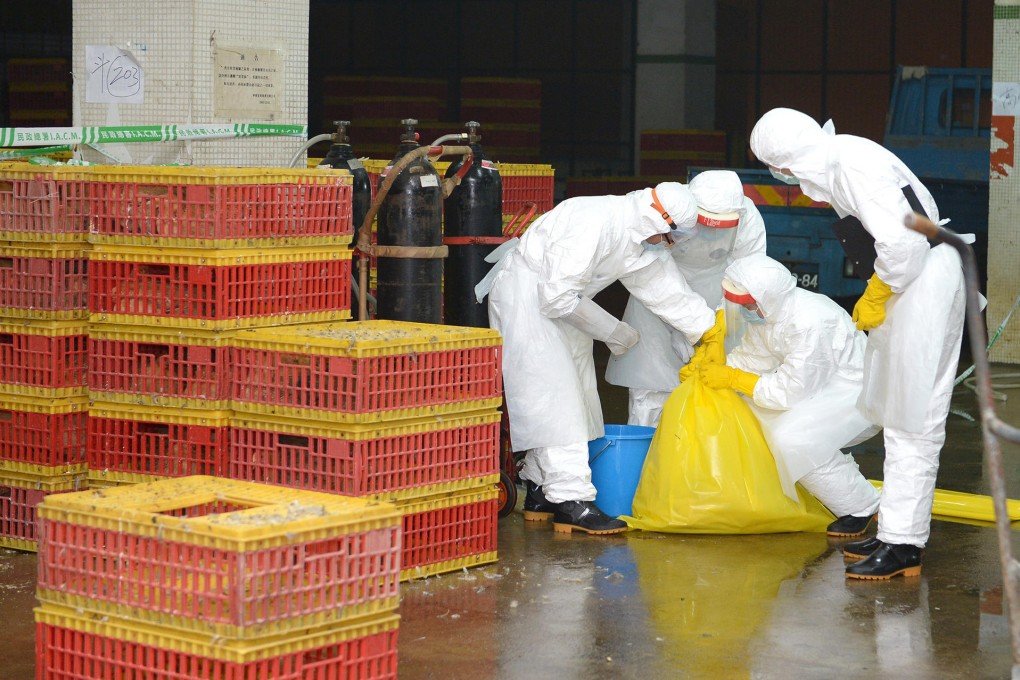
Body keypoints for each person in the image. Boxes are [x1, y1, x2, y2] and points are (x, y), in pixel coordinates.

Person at [750, 107, 967, 580]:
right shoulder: (841, 157)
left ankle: (904, 544)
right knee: (901, 417)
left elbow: (903, 244)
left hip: (919, 282)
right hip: (914, 282)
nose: (782, 177)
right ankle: (896, 530)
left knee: (913, 422)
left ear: (786, 162)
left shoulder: (850, 164)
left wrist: (879, 289)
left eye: (779, 169)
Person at [484, 183, 720, 534]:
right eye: (670, 237)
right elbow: (555, 296)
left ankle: (539, 490)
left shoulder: (640, 239)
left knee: (581, 397)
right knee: (555, 400)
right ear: (658, 219)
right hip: (529, 300)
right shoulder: (593, 220)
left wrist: (708, 332)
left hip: (568, 305)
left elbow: (667, 292)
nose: (669, 245)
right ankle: (571, 501)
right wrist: (614, 332)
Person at [695, 254, 882, 538]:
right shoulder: (768, 313)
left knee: (793, 441)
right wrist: (712, 371)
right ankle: (823, 483)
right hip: (818, 389)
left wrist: (732, 378)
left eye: (745, 303)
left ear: (764, 297)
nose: (741, 309)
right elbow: (753, 358)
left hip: (855, 396)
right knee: (748, 415)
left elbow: (788, 393)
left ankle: (861, 505)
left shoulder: (812, 321)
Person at [605, 170, 767, 426]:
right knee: (650, 391)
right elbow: (652, 273)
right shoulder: (671, 206)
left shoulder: (748, 217)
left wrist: (719, 322)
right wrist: (687, 326)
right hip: (657, 302)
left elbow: (746, 274)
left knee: (715, 386)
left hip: (717, 298)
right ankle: (646, 456)